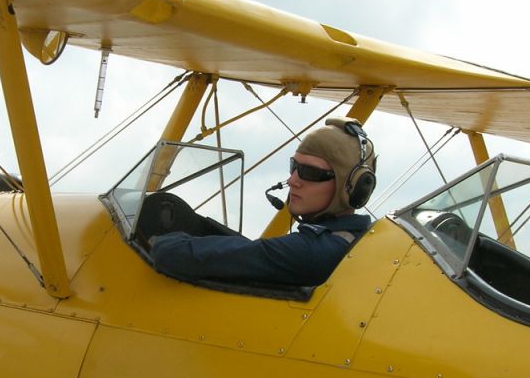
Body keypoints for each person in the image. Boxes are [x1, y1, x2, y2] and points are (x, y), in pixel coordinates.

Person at [150, 117, 377, 287]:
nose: (292, 180)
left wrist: (159, 241)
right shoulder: (358, 239)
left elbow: (171, 254)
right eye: (294, 167)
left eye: (309, 172)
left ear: (352, 188)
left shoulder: (313, 252)